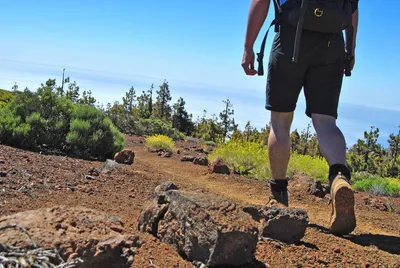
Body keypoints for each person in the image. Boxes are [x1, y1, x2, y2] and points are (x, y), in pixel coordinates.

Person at [241, 0, 359, 235]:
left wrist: (248, 46)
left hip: (290, 42)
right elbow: (352, 8)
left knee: (281, 121)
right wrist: (350, 49)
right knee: (326, 122)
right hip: (331, 44)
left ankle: (278, 197)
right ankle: (339, 178)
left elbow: (261, 1)